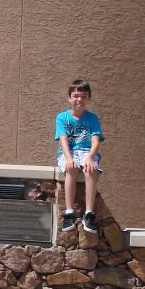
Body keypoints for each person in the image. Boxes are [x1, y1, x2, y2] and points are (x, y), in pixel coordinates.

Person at [55, 79, 105, 232]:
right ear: (69, 98)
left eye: (83, 96)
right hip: (69, 152)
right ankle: (69, 212)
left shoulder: (93, 118)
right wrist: (69, 159)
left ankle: (89, 213)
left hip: (87, 152)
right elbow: (63, 140)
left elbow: (96, 141)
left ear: (88, 98)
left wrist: (90, 158)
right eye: (76, 96)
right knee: (72, 169)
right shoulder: (62, 118)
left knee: (90, 170)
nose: (79, 99)